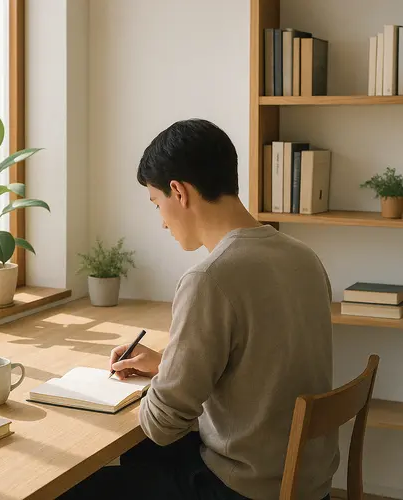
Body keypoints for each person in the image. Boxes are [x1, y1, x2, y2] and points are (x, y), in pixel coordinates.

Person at [62, 119, 339, 499]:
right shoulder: (304, 258)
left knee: (75, 485)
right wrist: (171, 364)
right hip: (304, 482)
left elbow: (162, 425)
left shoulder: (210, 278)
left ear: (179, 192)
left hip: (242, 487)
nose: (161, 220)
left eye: (157, 203)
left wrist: (160, 385)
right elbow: (264, 367)